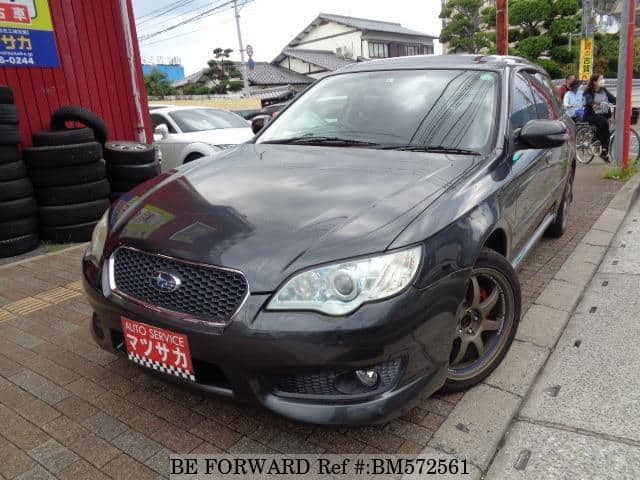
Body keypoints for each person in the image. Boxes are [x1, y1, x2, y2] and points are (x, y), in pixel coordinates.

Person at [583, 73, 616, 162]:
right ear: (594, 82)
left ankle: (604, 152)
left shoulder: (604, 90)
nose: (603, 81)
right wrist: (593, 104)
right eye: (601, 79)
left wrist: (619, 102)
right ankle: (595, 141)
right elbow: (588, 99)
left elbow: (612, 98)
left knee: (607, 133)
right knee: (604, 124)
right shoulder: (588, 92)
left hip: (603, 115)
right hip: (591, 115)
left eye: (603, 78)